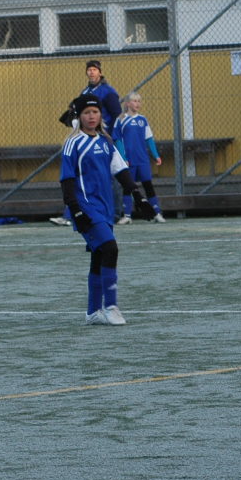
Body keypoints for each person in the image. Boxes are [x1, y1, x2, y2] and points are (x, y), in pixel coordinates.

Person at [60, 94, 156, 325]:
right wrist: (76, 210)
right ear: (79, 116)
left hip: (105, 208)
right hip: (85, 207)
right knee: (111, 248)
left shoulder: (106, 141)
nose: (91, 116)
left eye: (95, 112)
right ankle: (111, 307)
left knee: (99, 254)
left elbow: (121, 171)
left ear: (100, 115)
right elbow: (67, 180)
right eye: (86, 113)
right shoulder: (73, 143)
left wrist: (138, 197)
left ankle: (93, 312)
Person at [52, 60, 122, 226]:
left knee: (111, 175)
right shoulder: (86, 91)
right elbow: (77, 108)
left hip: (102, 138)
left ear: (100, 72)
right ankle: (72, 214)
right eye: (89, 70)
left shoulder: (108, 91)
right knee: (81, 176)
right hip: (87, 138)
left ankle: (116, 213)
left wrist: (108, 136)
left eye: (94, 69)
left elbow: (116, 114)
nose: (91, 72)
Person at [113, 92, 165, 224]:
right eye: (134, 101)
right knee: (128, 187)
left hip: (142, 160)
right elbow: (117, 140)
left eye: (139, 101)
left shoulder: (143, 120)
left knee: (148, 185)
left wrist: (156, 155)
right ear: (127, 103)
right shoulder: (120, 120)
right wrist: (123, 158)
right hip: (129, 160)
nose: (137, 104)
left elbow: (149, 139)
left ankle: (157, 213)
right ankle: (127, 216)